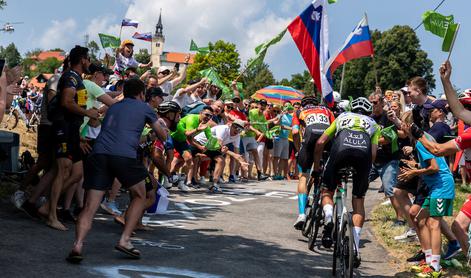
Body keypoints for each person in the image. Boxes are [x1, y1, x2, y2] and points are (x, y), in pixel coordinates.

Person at [66, 78, 167, 263]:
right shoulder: (145, 108)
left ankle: (78, 244)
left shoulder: (113, 107)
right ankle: (125, 240)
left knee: (90, 206)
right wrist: (158, 132)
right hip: (124, 156)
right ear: (141, 94)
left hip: (99, 154)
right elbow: (161, 134)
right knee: (140, 195)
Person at [314, 97, 380, 267]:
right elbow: (373, 154)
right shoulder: (374, 124)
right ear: (368, 111)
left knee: (327, 190)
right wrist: (364, 173)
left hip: (340, 151)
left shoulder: (342, 117)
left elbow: (321, 142)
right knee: (358, 201)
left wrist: (317, 166)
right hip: (363, 156)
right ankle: (355, 247)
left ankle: (328, 217)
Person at [41, 45, 99, 231]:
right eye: (88, 59)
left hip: (72, 130)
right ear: (82, 59)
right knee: (63, 170)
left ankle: (48, 205)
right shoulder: (71, 77)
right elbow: (66, 102)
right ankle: (51, 215)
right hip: (63, 128)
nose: (89, 62)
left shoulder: (77, 78)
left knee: (77, 173)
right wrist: (87, 112)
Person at [398, 130, 455, 277]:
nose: (399, 129)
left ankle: (435, 267)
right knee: (419, 219)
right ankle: (428, 260)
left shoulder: (420, 144)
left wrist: (415, 173)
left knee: (434, 224)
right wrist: (416, 165)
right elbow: (433, 163)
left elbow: (435, 168)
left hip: (442, 187)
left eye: (401, 126)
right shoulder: (420, 143)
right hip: (435, 188)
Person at [292, 95, 335, 229]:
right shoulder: (327, 111)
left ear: (303, 105)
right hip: (327, 140)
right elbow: (336, 128)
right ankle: (324, 204)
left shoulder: (299, 111)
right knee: (324, 174)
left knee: (303, 177)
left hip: (309, 139)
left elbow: (294, 132)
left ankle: (301, 214)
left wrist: (299, 149)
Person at [193, 119, 248, 192]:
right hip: (200, 142)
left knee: (221, 160)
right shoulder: (223, 129)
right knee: (200, 158)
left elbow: (237, 153)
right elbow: (219, 145)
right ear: (231, 125)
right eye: (236, 127)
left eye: (240, 130)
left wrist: (241, 163)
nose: (237, 131)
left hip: (211, 146)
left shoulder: (237, 136)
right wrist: (233, 154)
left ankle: (214, 185)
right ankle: (192, 179)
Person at [170, 106, 214, 191]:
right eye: (206, 115)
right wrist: (198, 130)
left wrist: (218, 147)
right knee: (173, 160)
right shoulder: (192, 118)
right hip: (173, 137)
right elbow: (188, 135)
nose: (208, 117)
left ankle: (181, 182)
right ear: (200, 113)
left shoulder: (205, 126)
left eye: (210, 116)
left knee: (189, 160)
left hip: (182, 141)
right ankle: (167, 178)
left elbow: (211, 140)